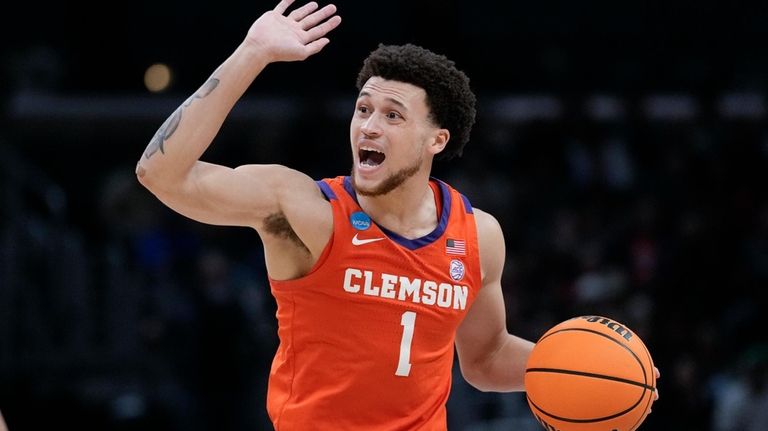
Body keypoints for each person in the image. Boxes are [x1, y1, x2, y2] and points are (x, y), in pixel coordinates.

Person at [136, 1, 651, 429]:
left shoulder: (477, 235)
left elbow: (486, 358)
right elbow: (162, 174)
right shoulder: (304, 210)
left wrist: (574, 367)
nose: (369, 128)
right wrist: (251, 54)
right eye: (363, 110)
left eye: (392, 115)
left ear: (437, 140)